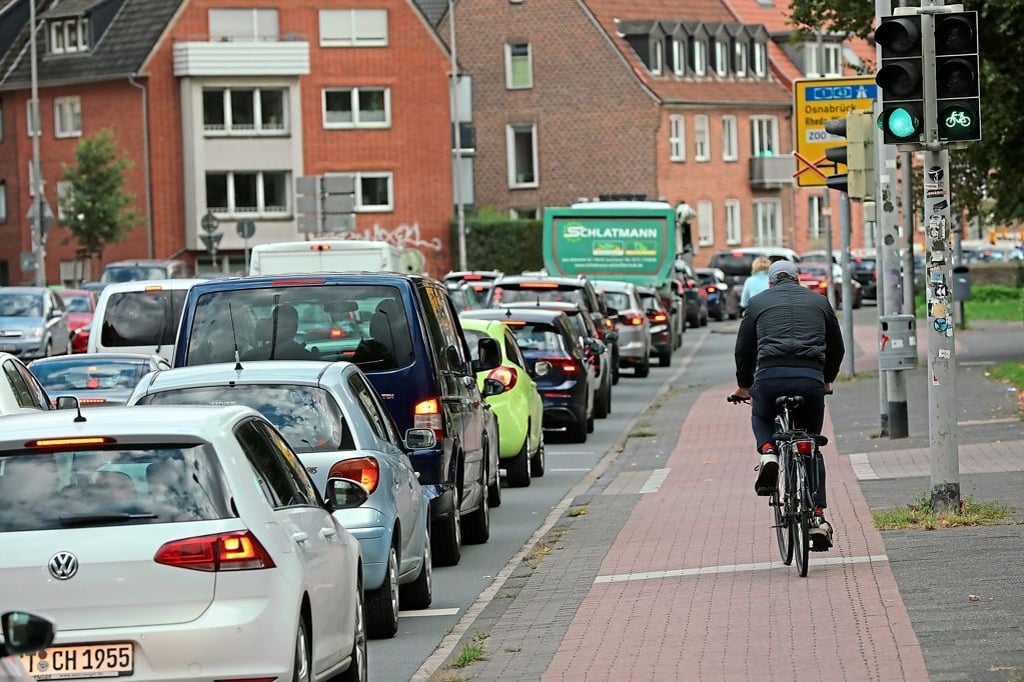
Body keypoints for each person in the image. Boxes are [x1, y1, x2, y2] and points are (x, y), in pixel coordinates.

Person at [730, 260, 845, 551]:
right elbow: (837, 347)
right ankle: (818, 517)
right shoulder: (819, 302)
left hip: (770, 377)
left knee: (761, 413)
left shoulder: (757, 303)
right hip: (810, 379)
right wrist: (826, 379)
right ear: (798, 280)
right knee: (810, 444)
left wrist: (744, 385)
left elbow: (743, 348)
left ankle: (768, 453)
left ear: (771, 283)